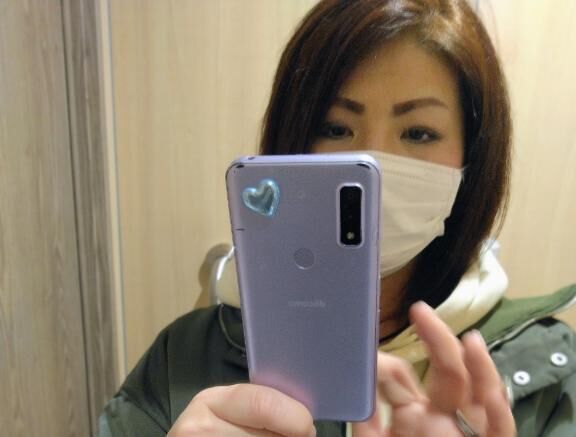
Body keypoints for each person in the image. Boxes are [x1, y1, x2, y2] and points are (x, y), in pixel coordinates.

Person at [99, 0, 576, 436]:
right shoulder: (182, 357)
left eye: (418, 132)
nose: (373, 162)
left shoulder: (550, 372)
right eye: (335, 127)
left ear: (472, 157)